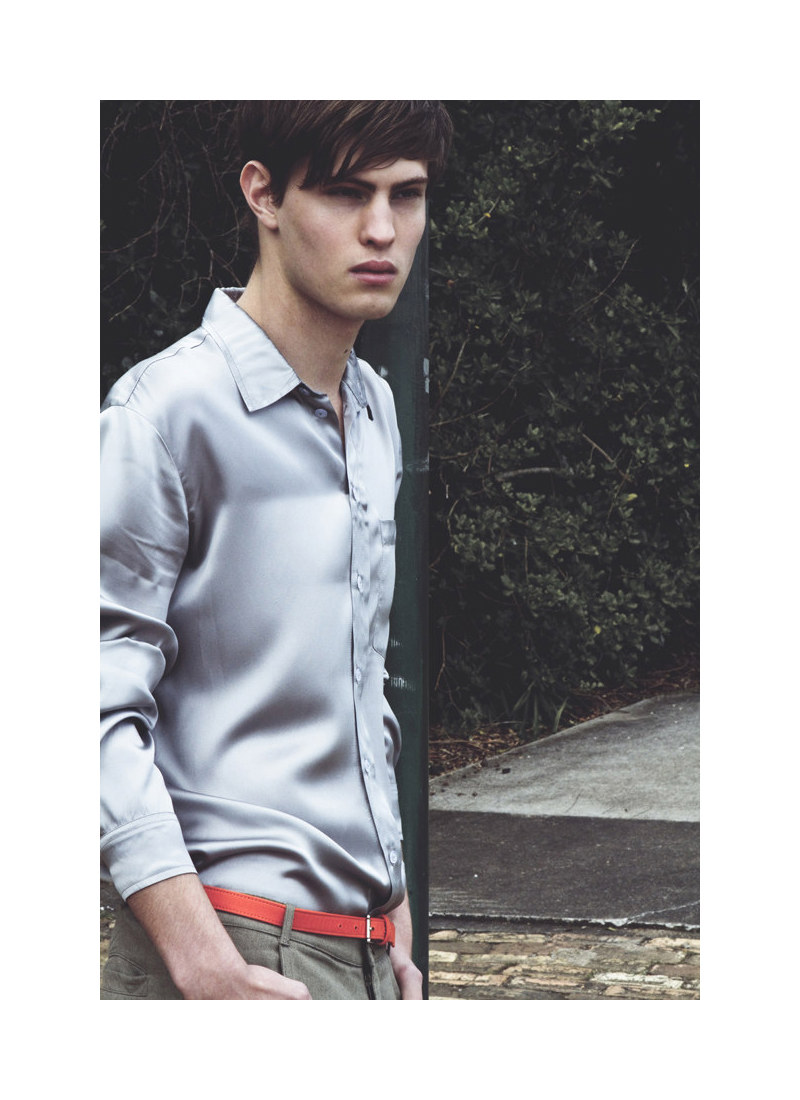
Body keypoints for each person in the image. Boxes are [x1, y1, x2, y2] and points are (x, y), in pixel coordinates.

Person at [100, 101, 452, 1000]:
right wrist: (200, 958)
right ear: (263, 194)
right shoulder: (163, 414)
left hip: (364, 946)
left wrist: (390, 897)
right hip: (232, 942)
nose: (383, 230)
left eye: (406, 195)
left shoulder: (373, 407)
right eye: (346, 193)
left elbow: (354, 682)